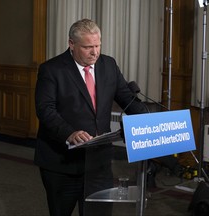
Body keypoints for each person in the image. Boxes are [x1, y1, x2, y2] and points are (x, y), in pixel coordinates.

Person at [34, 19, 148, 216]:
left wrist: (149, 120)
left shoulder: (108, 64)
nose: (95, 52)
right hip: (62, 163)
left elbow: (127, 99)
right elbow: (45, 110)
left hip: (99, 162)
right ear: (71, 44)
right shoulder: (51, 69)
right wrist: (69, 133)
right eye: (88, 47)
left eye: (97, 45)